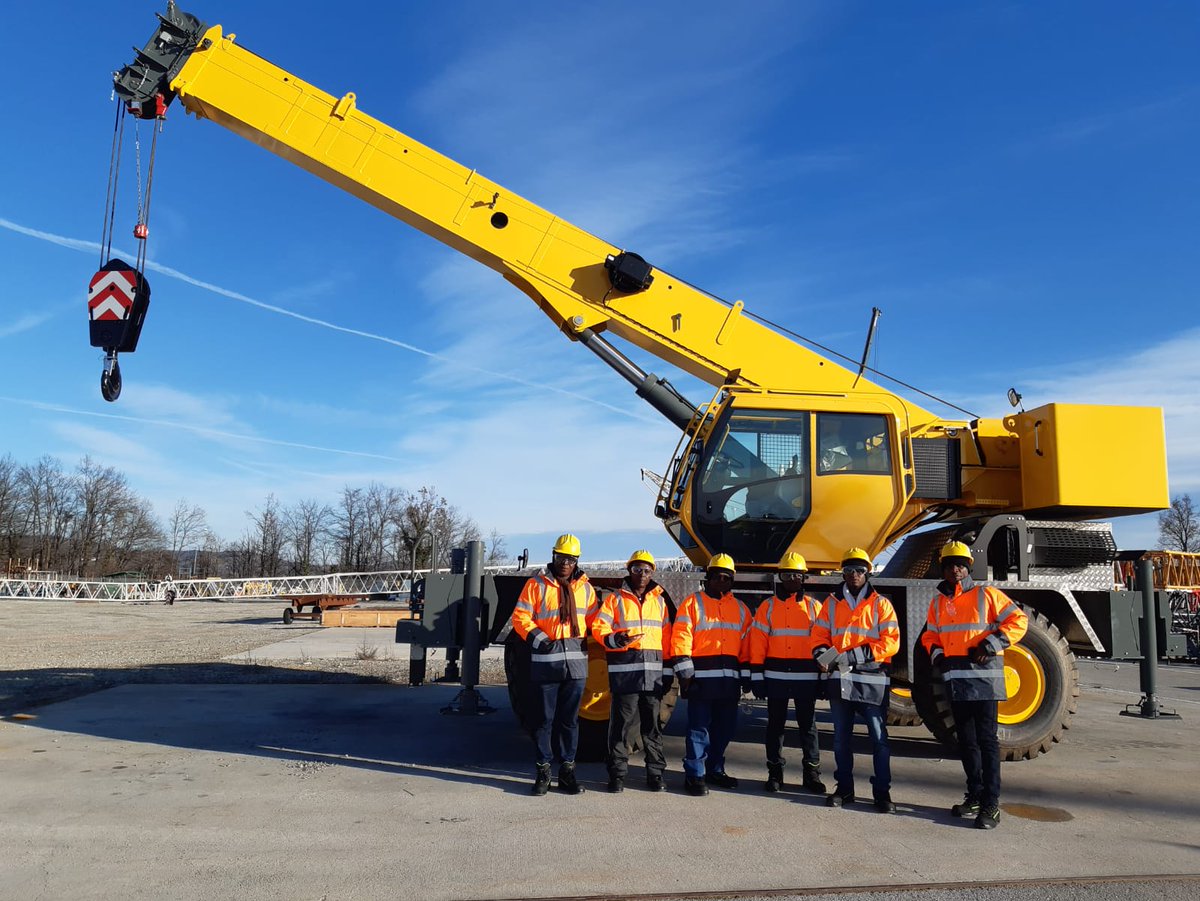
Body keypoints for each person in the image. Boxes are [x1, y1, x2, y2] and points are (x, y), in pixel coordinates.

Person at [922, 540, 1028, 829]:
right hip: (956, 680)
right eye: (949, 565)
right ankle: (975, 795)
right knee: (966, 742)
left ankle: (992, 803)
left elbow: (1018, 621)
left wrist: (990, 644)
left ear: (968, 567)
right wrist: (939, 655)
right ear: (942, 569)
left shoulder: (987, 594)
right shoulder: (939, 602)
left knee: (987, 741)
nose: (955, 570)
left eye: (960, 564)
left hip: (984, 681)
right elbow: (930, 636)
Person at [811, 547, 900, 813]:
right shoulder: (831, 603)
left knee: (878, 739)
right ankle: (844, 789)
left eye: (859, 570)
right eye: (848, 570)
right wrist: (820, 655)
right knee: (841, 740)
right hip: (841, 681)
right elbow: (819, 636)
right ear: (843, 573)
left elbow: (891, 643)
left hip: (872, 680)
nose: (853, 575)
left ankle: (882, 794)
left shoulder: (880, 603)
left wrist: (852, 656)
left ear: (867, 572)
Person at [510, 533, 600, 796]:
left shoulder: (585, 589)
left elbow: (596, 622)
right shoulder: (536, 585)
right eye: (561, 557)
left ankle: (567, 773)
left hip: (576, 668)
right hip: (546, 665)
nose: (565, 563)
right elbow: (520, 618)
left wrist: (614, 636)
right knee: (543, 721)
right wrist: (541, 640)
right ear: (553, 557)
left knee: (570, 722)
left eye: (570, 559)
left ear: (577, 561)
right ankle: (543, 773)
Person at [592, 550, 674, 793]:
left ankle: (655, 774)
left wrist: (667, 671)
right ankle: (617, 775)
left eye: (646, 571)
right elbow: (599, 627)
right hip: (625, 676)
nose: (642, 575)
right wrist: (616, 639)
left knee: (652, 729)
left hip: (653, 678)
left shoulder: (659, 602)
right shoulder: (615, 600)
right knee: (620, 728)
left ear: (652, 574)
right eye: (637, 569)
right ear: (629, 571)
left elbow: (667, 638)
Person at [671, 553, 752, 796]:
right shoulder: (693, 603)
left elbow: (747, 645)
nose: (721, 581)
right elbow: (681, 638)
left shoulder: (740, 609)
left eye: (727, 577)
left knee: (725, 728)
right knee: (698, 728)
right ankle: (695, 775)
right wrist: (686, 676)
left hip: (729, 683)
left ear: (732, 581)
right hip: (701, 682)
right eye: (717, 576)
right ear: (708, 578)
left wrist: (746, 676)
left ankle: (715, 769)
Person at [748, 552, 826, 794]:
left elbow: (825, 641)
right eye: (786, 575)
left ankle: (811, 774)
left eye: (796, 575)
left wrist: (825, 677)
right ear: (779, 577)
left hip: (807, 677)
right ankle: (775, 773)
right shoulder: (767, 607)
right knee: (776, 727)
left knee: (808, 727)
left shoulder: (815, 607)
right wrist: (757, 675)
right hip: (776, 676)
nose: (792, 579)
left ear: (804, 578)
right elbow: (758, 642)